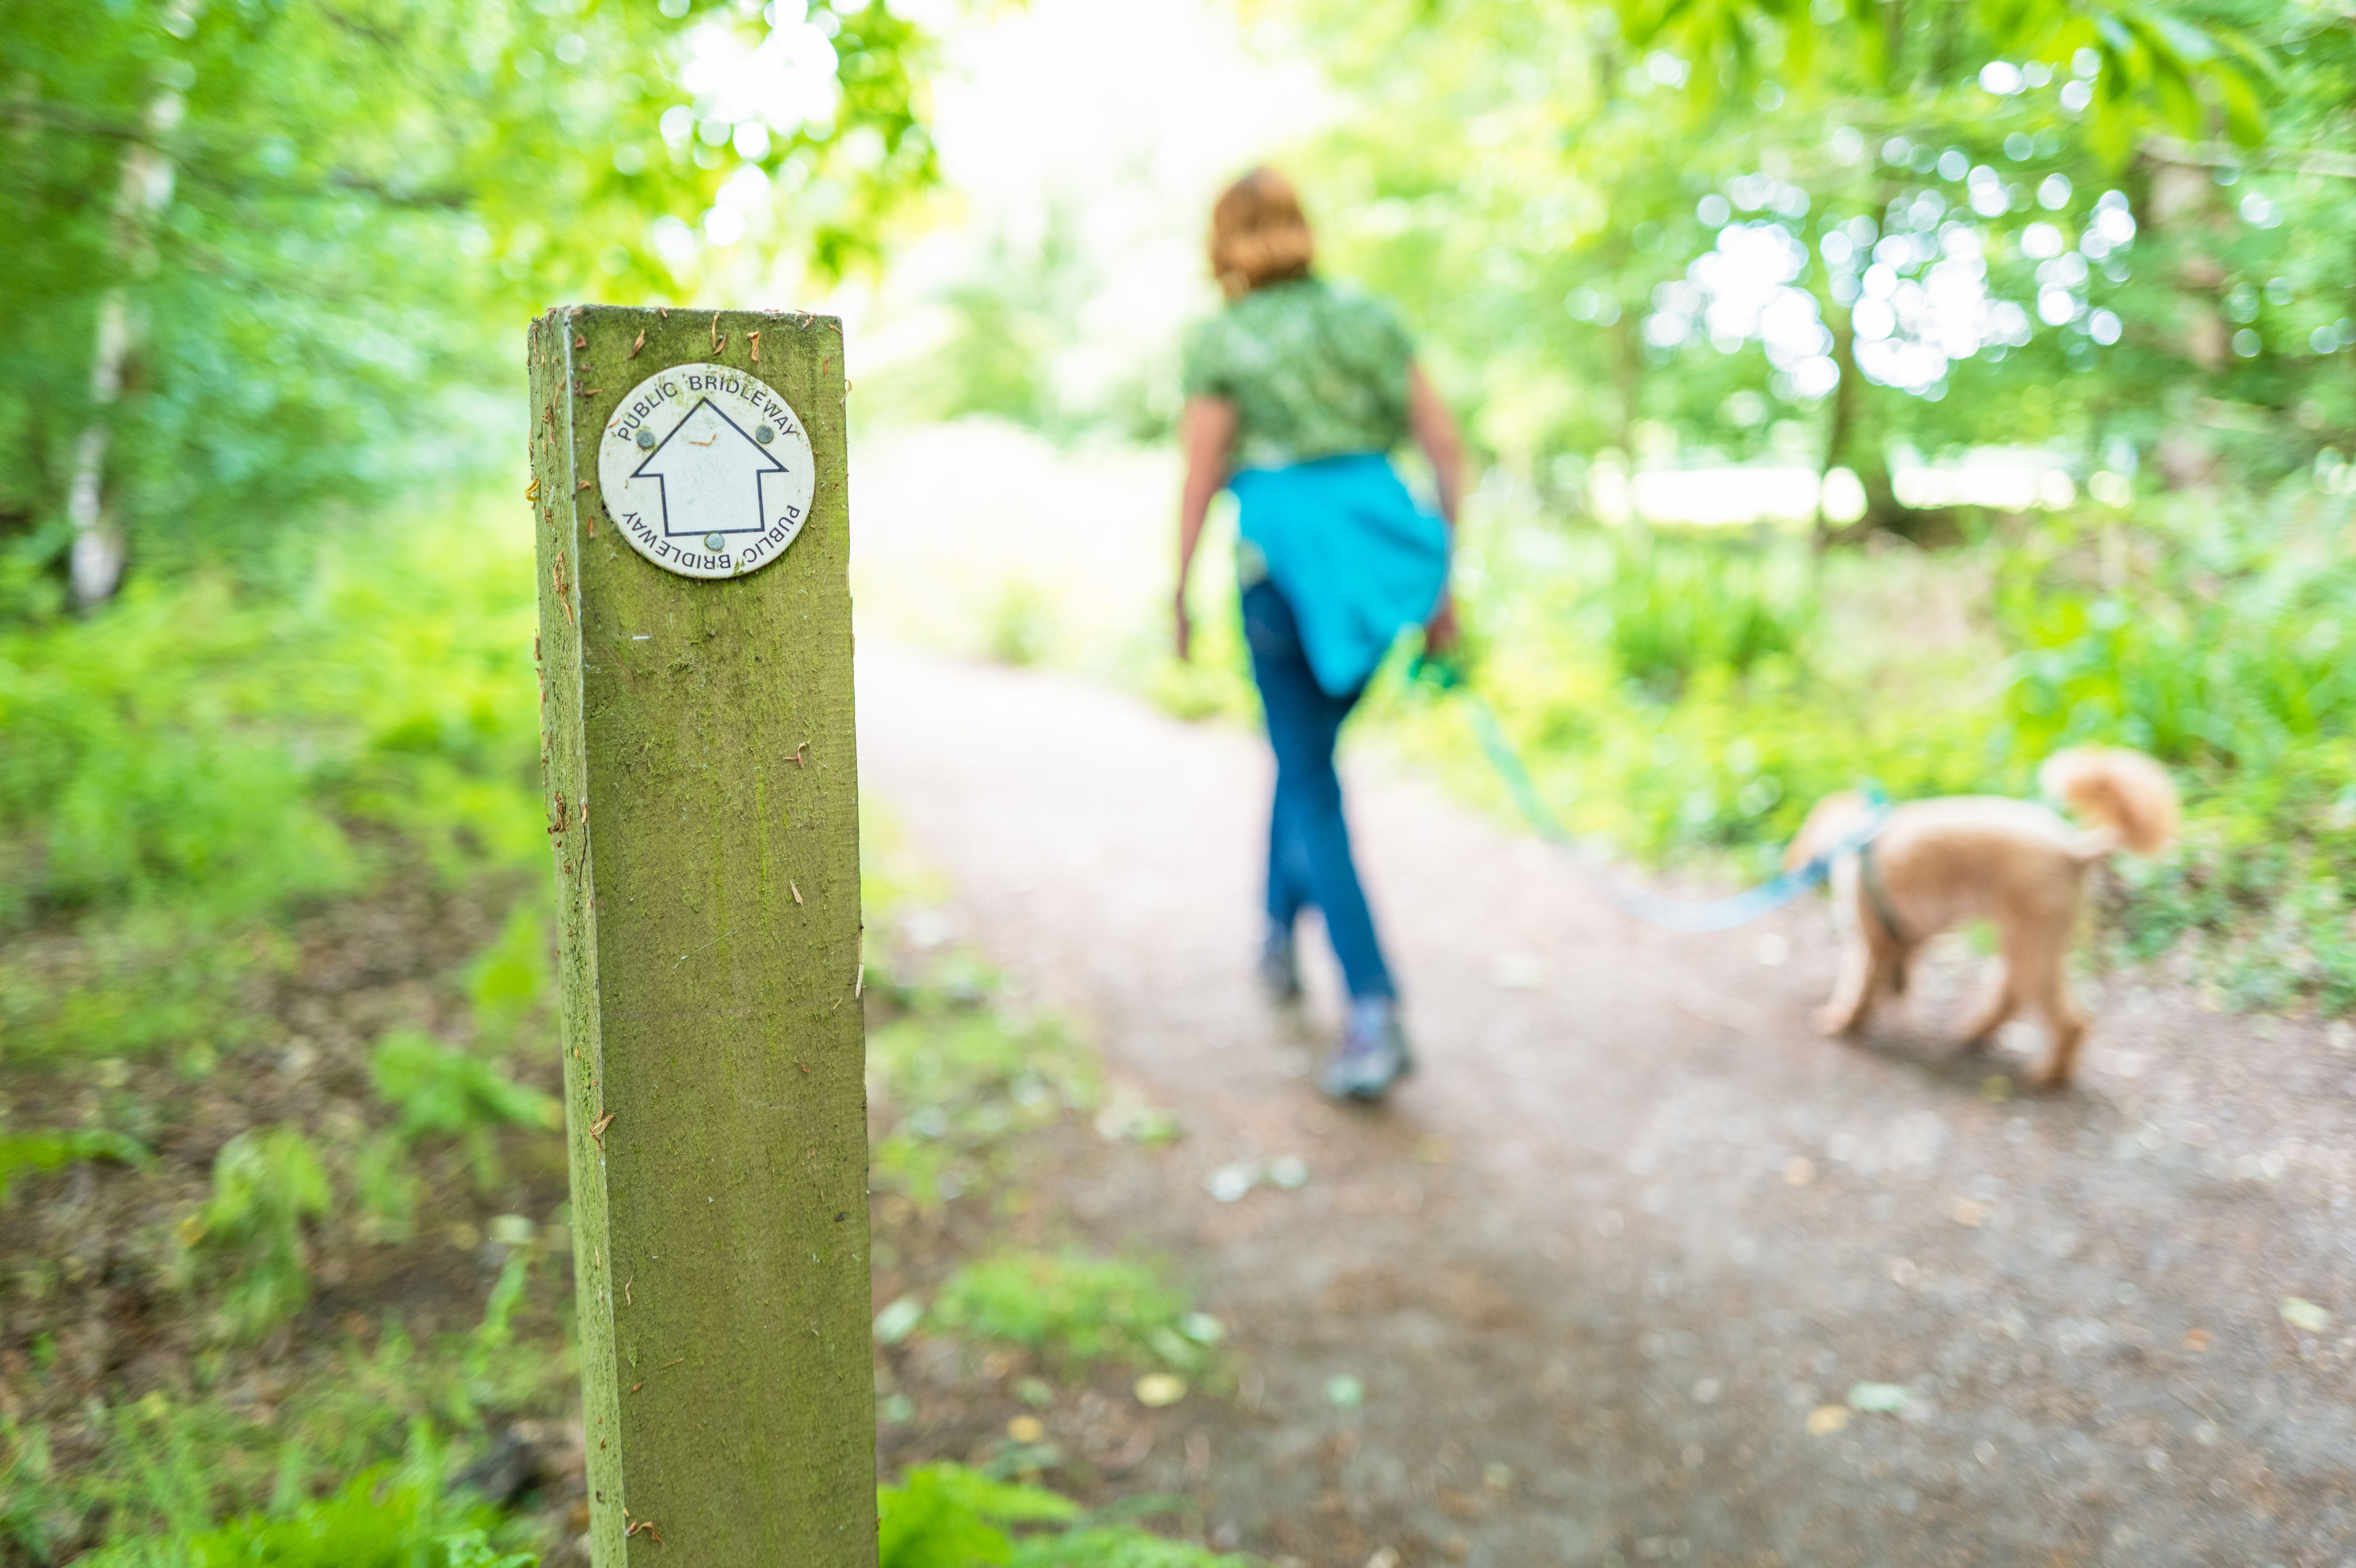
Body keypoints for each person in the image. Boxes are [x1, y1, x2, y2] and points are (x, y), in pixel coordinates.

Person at [1172, 167, 1465, 1103]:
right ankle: (1273, 934)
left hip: (1281, 579)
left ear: (1223, 243)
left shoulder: (1223, 338)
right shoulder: (1371, 318)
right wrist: (1442, 584)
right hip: (1380, 575)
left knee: (1308, 777)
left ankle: (1372, 1005)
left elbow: (1201, 472)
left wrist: (1174, 588)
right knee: (1306, 764)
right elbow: (1445, 449)